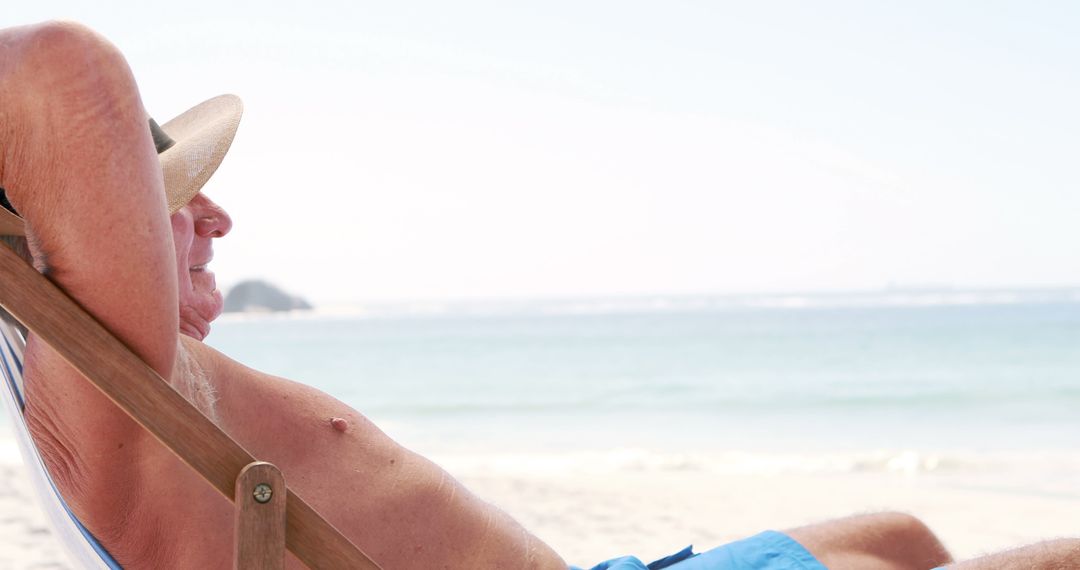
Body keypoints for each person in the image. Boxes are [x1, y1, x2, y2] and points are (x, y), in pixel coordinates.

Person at [0, 20, 1075, 570]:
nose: (217, 218)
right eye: (174, 202)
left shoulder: (142, 394)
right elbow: (59, 66)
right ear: (76, 230)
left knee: (900, 532)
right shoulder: (99, 384)